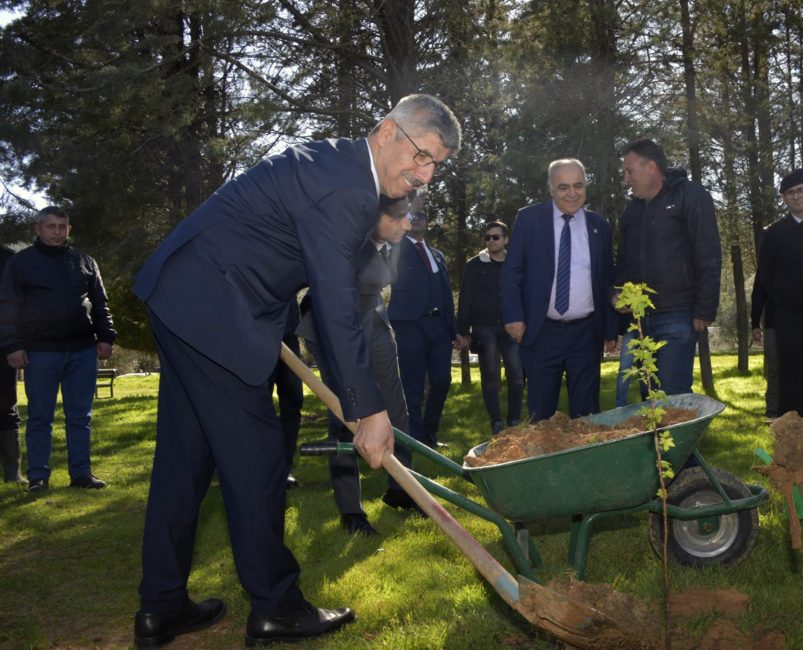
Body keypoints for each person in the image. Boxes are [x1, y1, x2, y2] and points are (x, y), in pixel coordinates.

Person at [130, 94, 460, 647]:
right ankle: (277, 607)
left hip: (183, 294)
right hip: (212, 307)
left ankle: (160, 606)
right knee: (258, 458)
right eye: (421, 155)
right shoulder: (349, 189)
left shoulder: (337, 164)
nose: (423, 175)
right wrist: (369, 410)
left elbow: (282, 252)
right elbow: (335, 306)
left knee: (184, 461)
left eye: (435, 166)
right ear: (386, 131)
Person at [299, 194, 414, 535]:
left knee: (397, 410)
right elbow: (342, 295)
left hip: (374, 325)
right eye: (398, 218)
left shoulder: (393, 241)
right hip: (334, 332)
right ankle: (352, 513)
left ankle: (402, 490)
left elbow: (379, 284)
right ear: (373, 218)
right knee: (347, 419)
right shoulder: (345, 242)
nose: (407, 225)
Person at [0, 206, 115, 494]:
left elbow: (100, 303)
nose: (57, 232)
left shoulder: (84, 261)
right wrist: (13, 346)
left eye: (62, 226)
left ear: (69, 229)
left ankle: (81, 473)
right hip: (40, 352)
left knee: (81, 417)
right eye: (50, 226)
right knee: (40, 417)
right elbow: (8, 307)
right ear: (37, 230)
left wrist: (106, 337)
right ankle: (38, 476)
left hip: (82, 350)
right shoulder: (20, 263)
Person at [501, 159, 617, 422]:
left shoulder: (599, 226)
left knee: (587, 416)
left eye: (578, 185)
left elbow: (605, 280)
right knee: (540, 414)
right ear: (551, 188)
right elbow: (512, 272)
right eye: (563, 187)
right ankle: (543, 462)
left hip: (586, 334)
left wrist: (610, 328)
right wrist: (513, 316)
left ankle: (586, 462)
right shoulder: (529, 220)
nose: (572, 193)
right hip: (542, 332)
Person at [615, 139, 721, 396]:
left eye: (629, 171)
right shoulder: (632, 210)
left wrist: (704, 309)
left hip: (678, 314)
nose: (626, 179)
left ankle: (677, 437)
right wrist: (616, 293)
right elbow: (624, 261)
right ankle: (657, 438)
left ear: (650, 167)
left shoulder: (691, 196)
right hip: (640, 318)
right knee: (648, 394)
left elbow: (708, 255)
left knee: (672, 394)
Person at [751, 169, 803, 418]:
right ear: (784, 198)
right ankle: (795, 437)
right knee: (792, 381)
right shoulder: (774, 234)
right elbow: (766, 277)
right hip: (792, 317)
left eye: (802, 190)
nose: (797, 197)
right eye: (790, 193)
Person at [387, 206, 457, 453]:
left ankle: (429, 433)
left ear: (427, 223)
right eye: (412, 216)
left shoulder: (436, 254)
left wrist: (454, 328)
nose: (417, 219)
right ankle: (414, 438)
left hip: (439, 328)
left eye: (421, 216)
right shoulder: (398, 247)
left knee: (442, 379)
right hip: (410, 325)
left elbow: (446, 294)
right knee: (412, 385)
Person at [456, 221, 524, 435]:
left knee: (516, 375)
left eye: (496, 237)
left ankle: (514, 419)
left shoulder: (515, 264)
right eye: (487, 237)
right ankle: (496, 422)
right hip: (484, 327)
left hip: (510, 326)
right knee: (491, 375)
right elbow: (465, 298)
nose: (491, 241)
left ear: (506, 239)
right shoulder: (474, 265)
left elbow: (524, 293)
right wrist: (463, 331)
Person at [269, 298, 304, 489]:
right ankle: (260, 468)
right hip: (259, 332)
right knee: (259, 404)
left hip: (288, 333)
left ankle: (284, 469)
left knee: (293, 401)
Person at [0, 244, 25, 485]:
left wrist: (14, 344)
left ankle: (12, 471)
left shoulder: (9, 259)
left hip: (3, 346)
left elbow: (17, 305)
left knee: (5, 406)